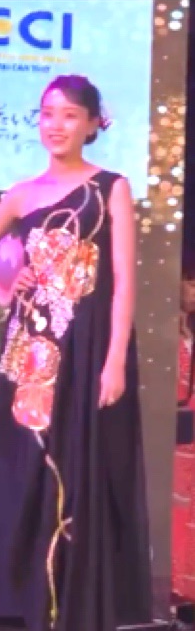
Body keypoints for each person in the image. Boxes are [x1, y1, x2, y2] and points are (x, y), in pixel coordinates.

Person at [0, 75, 152, 631]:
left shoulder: (111, 186)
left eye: (69, 114)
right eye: (48, 113)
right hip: (31, 349)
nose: (56, 124)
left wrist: (114, 360)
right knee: (25, 463)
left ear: (92, 123)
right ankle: (21, 599)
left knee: (81, 462)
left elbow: (123, 282)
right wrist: (6, 296)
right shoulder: (22, 193)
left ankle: (74, 600)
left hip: (89, 345)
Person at [172, 250, 195, 601]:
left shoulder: (188, 332)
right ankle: (176, 589)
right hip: (176, 433)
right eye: (190, 283)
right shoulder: (166, 335)